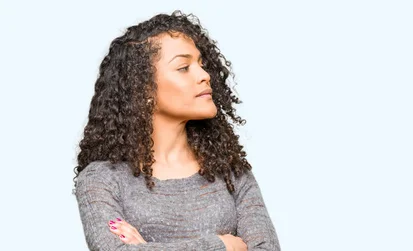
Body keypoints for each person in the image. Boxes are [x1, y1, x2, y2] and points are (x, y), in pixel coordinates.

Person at [72, 10, 281, 251]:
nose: (204, 76)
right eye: (183, 67)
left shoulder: (231, 172)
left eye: (201, 65)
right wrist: (223, 245)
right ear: (144, 90)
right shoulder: (101, 179)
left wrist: (148, 247)